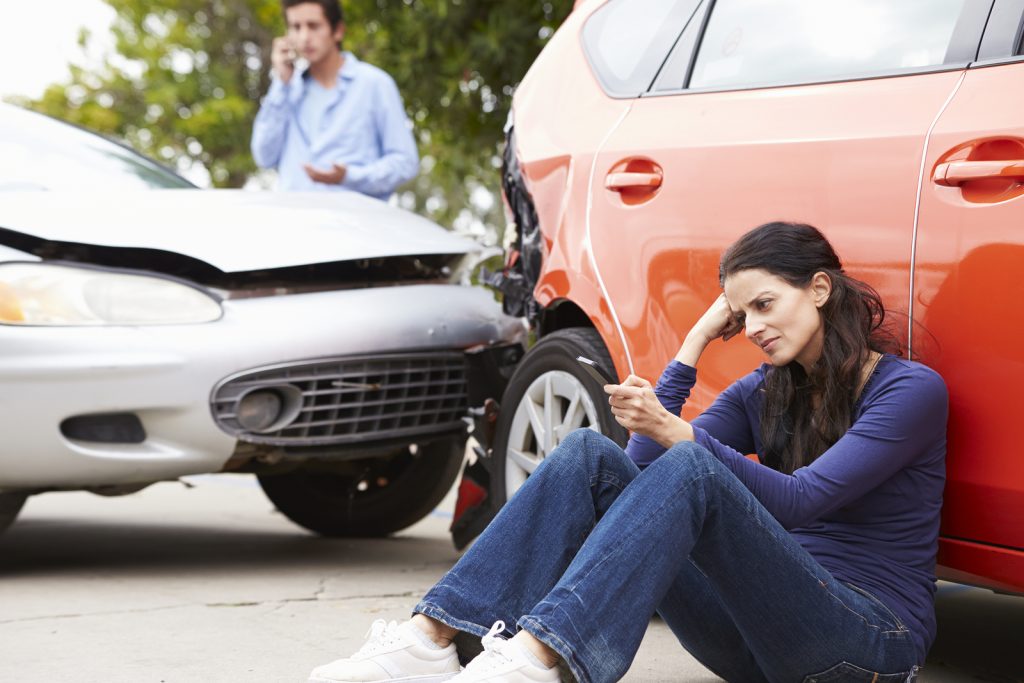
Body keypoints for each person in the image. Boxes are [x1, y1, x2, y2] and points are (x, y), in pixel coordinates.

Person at [307, 222, 947, 683]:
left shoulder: (908, 391)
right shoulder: (767, 390)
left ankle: (537, 656)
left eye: (764, 304)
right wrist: (692, 345)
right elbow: (637, 478)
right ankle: (433, 638)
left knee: (692, 461)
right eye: (739, 313)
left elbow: (804, 502)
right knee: (589, 454)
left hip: (864, 644)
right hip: (755, 641)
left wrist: (678, 434)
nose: (751, 328)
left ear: (819, 289)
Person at [251, 0, 418, 199]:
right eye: (296, 27)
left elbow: (405, 162)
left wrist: (349, 176)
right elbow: (264, 157)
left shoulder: (374, 85)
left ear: (337, 30)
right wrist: (282, 84)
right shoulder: (287, 90)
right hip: (297, 223)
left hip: (357, 224)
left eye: (313, 26)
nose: (304, 37)